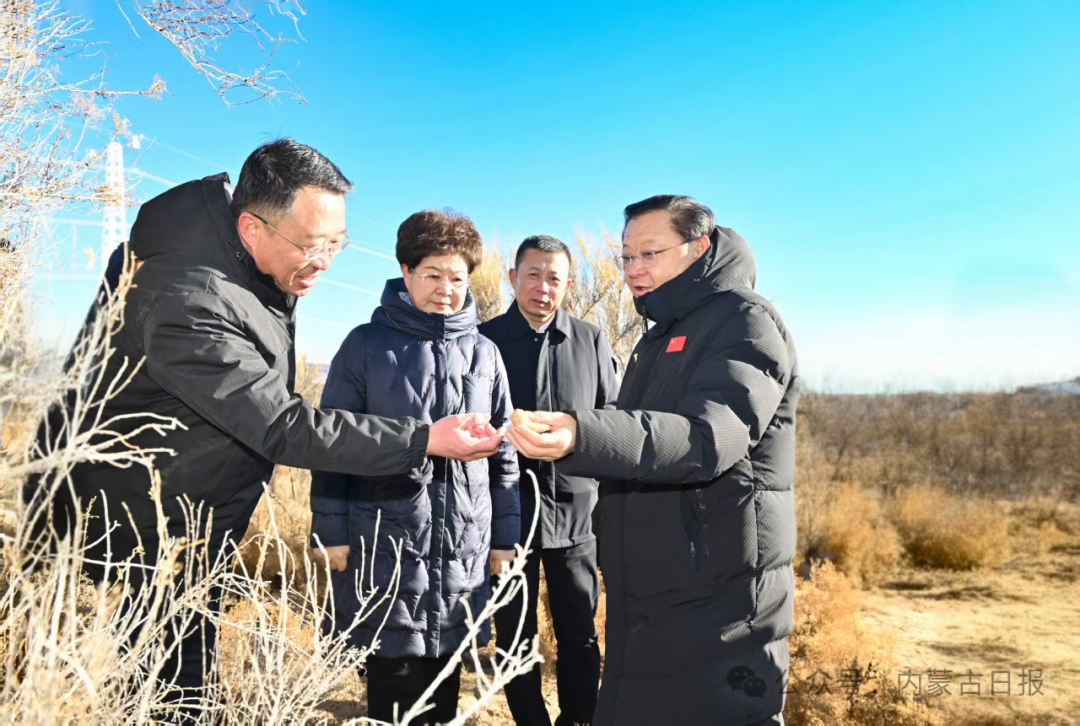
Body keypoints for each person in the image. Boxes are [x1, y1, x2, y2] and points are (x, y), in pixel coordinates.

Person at [24, 140, 504, 719]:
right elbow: (282, 423)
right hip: (138, 545)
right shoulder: (190, 297)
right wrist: (424, 440)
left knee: (182, 688)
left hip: (190, 532)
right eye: (313, 244)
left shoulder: (250, 277)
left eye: (337, 244)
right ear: (252, 228)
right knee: (166, 696)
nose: (326, 261)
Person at [506, 195, 799, 726]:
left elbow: (707, 439)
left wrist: (581, 433)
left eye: (649, 253)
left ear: (698, 248)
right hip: (655, 588)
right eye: (625, 256)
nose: (633, 269)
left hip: (719, 595)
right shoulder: (660, 335)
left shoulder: (745, 321)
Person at [310, 209, 520, 726]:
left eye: (458, 278)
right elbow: (330, 444)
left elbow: (505, 455)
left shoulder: (486, 354)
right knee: (393, 682)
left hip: (463, 549)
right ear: (405, 272)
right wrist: (330, 533)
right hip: (385, 544)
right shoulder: (365, 345)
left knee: (445, 682)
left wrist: (504, 539)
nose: (446, 289)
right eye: (432, 274)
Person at [478, 235, 618, 726]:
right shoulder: (483, 341)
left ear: (568, 284)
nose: (543, 287)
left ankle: (578, 718)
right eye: (533, 274)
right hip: (506, 517)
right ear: (512, 278)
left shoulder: (590, 340)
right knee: (514, 635)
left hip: (576, 515)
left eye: (554, 278)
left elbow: (612, 418)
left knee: (580, 632)